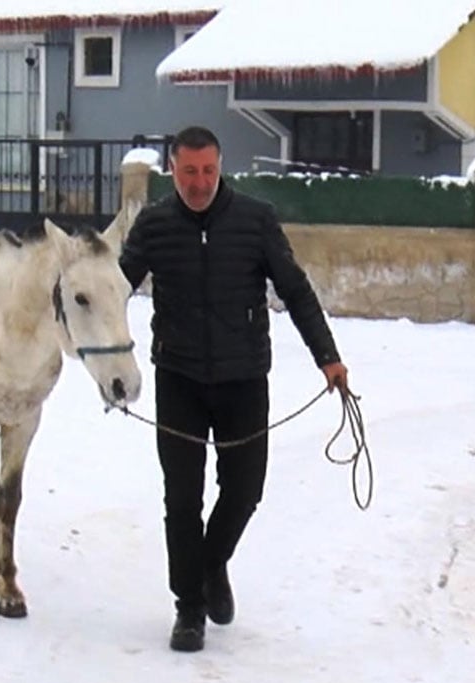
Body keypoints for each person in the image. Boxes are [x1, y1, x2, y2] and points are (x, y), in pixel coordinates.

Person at [119, 126, 349, 652]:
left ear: (220, 167)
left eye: (208, 170)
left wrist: (328, 357)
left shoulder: (254, 220)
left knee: (245, 490)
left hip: (243, 377)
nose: (200, 182)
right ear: (172, 170)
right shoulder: (154, 225)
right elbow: (113, 291)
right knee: (182, 499)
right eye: (189, 171)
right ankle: (189, 608)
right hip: (178, 376)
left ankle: (211, 563)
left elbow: (295, 290)